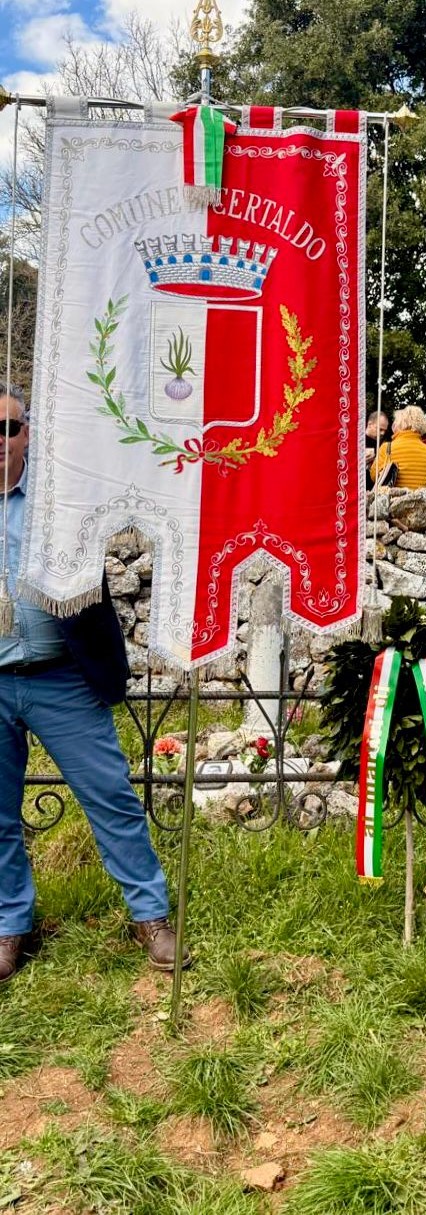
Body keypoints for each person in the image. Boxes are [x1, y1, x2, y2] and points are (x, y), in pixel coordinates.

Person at [0, 385, 189, 980]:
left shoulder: (64, 493)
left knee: (111, 797)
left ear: (27, 433)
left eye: (8, 427)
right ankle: (11, 926)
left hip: (63, 677)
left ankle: (151, 916)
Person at [369, 405, 426, 489]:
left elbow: (373, 476)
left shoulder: (387, 447)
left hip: (394, 500)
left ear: (399, 424)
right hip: (421, 500)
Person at [365, 410, 390, 487]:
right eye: (380, 429)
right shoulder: (356, 441)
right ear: (369, 425)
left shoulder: (383, 445)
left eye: (384, 430)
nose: (383, 433)